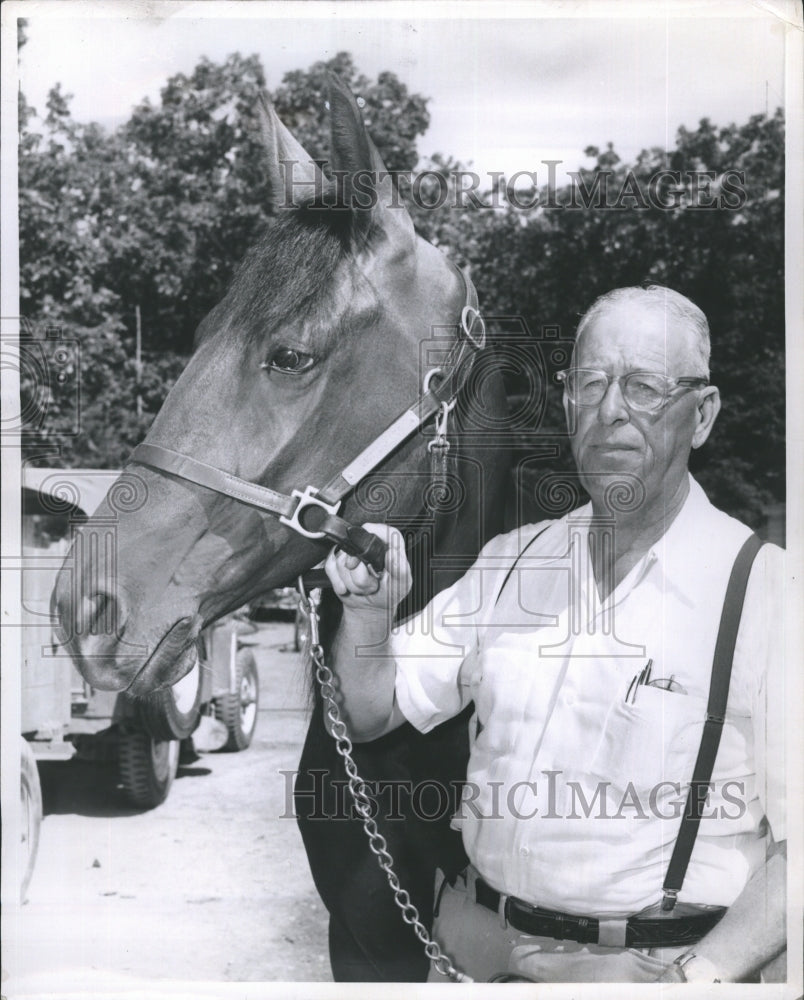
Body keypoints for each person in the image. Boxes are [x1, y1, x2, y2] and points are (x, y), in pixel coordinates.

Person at [323, 286, 786, 983]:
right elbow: (370, 711)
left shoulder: (767, 593)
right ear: (567, 405)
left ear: (703, 415)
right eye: (591, 383)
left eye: (644, 387)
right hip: (475, 956)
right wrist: (369, 613)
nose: (611, 413)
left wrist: (701, 979)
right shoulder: (513, 562)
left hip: (650, 972)